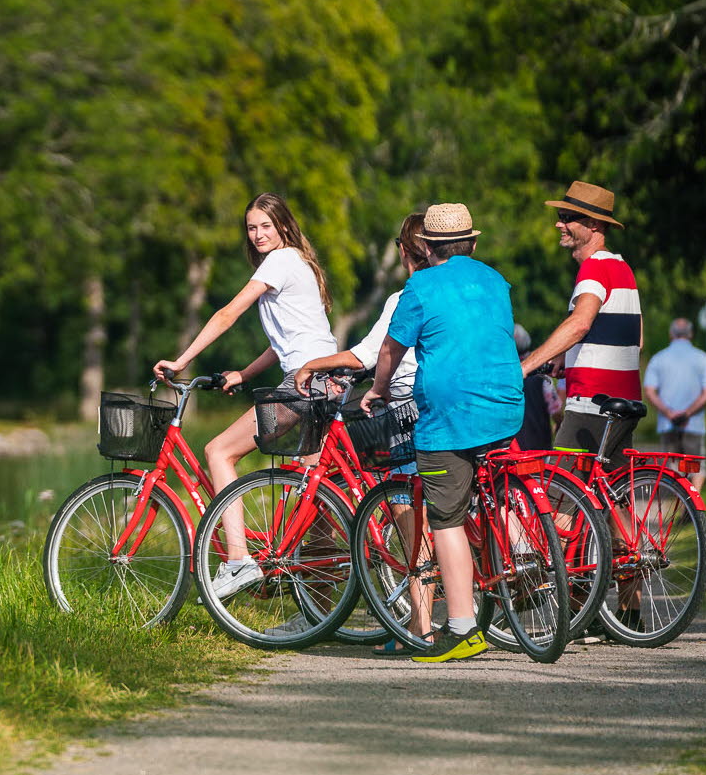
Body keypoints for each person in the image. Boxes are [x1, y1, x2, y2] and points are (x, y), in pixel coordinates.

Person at [154, 192, 338, 600]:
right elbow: (283, 342)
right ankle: (321, 612)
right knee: (314, 493)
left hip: (304, 383)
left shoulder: (279, 261)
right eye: (251, 228)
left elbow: (228, 314)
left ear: (283, 225)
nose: (257, 234)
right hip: (328, 380)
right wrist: (245, 373)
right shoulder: (299, 262)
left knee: (219, 451)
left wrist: (181, 361)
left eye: (265, 226)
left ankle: (238, 561)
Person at [362, 202, 525, 663]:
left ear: (428, 247)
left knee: (446, 518)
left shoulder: (422, 285)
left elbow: (390, 351)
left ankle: (461, 627)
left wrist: (377, 390)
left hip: (451, 416)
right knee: (490, 487)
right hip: (507, 407)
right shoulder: (495, 280)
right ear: (471, 243)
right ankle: (523, 555)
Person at [294, 211, 433, 651]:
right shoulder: (457, 290)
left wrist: (312, 365)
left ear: (404, 251)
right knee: (427, 514)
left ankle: (420, 629)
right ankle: (423, 622)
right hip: (446, 406)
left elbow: (368, 355)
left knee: (407, 516)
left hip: (405, 412)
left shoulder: (407, 296)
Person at [521, 182, 642, 453]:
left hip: (593, 402)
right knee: (611, 480)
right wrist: (567, 356)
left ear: (594, 225)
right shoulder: (622, 268)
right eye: (559, 216)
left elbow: (579, 324)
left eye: (567, 218)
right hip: (625, 401)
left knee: (557, 480)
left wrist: (526, 366)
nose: (559, 224)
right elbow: (637, 338)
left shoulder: (594, 268)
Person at [644, 317, 706, 490]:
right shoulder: (703, 358)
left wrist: (669, 413)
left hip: (667, 423)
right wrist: (687, 413)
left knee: (672, 468)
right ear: (691, 334)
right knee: (697, 467)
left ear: (671, 334)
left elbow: (649, 391)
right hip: (694, 423)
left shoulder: (658, 359)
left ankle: (679, 500)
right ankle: (694, 502)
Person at [511, 325, 554, 451]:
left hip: (513, 445)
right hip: (539, 445)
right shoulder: (541, 376)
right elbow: (555, 409)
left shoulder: (503, 374)